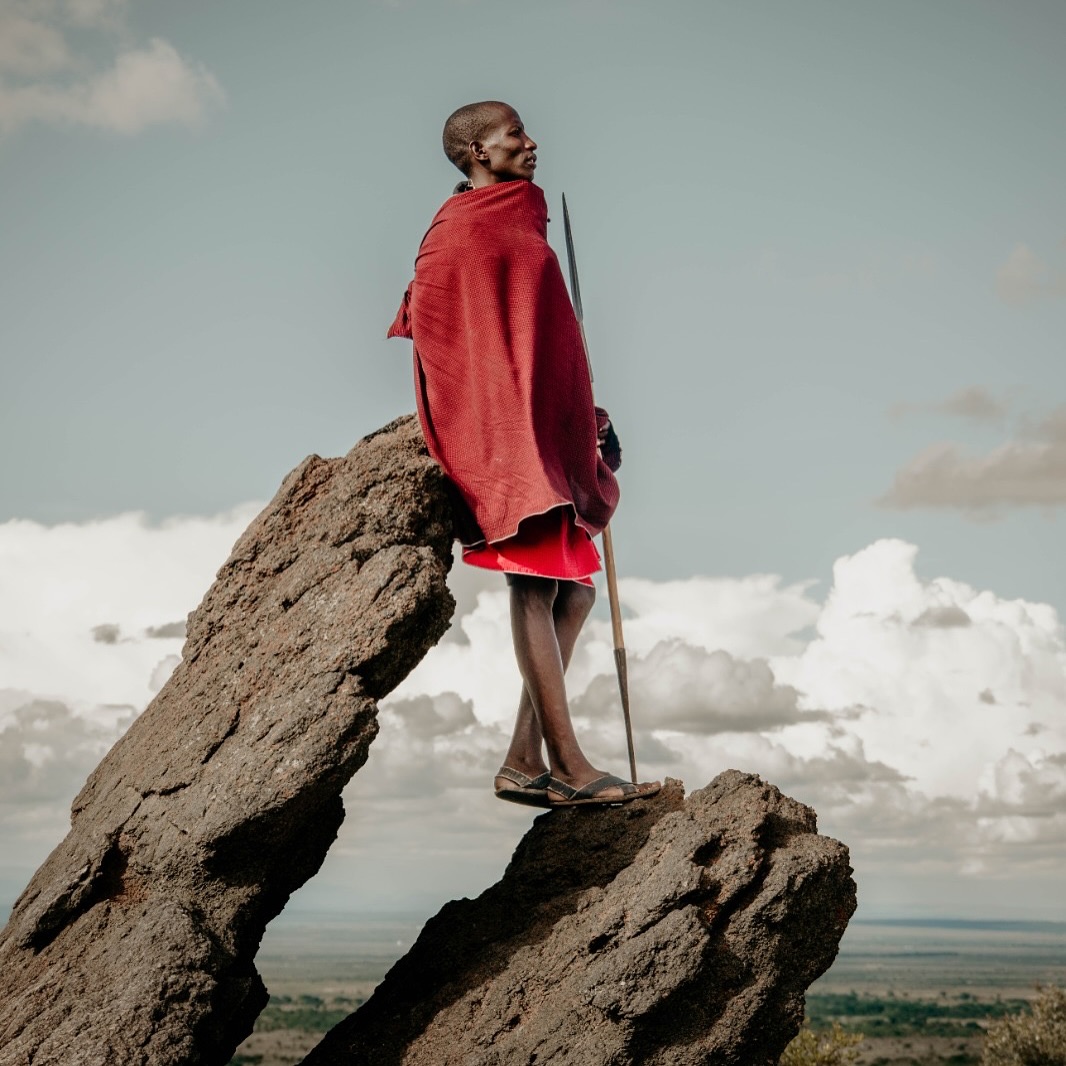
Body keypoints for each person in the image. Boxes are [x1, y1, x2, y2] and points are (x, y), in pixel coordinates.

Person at [388, 101, 660, 809]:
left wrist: (585, 418)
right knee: (534, 585)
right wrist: (499, 433)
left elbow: (544, 336)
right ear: (478, 150)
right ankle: (568, 765)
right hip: (500, 432)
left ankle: (521, 760)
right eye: (515, 134)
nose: (532, 142)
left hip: (541, 424)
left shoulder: (522, 214)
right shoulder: (457, 234)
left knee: (574, 591)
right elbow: (452, 339)